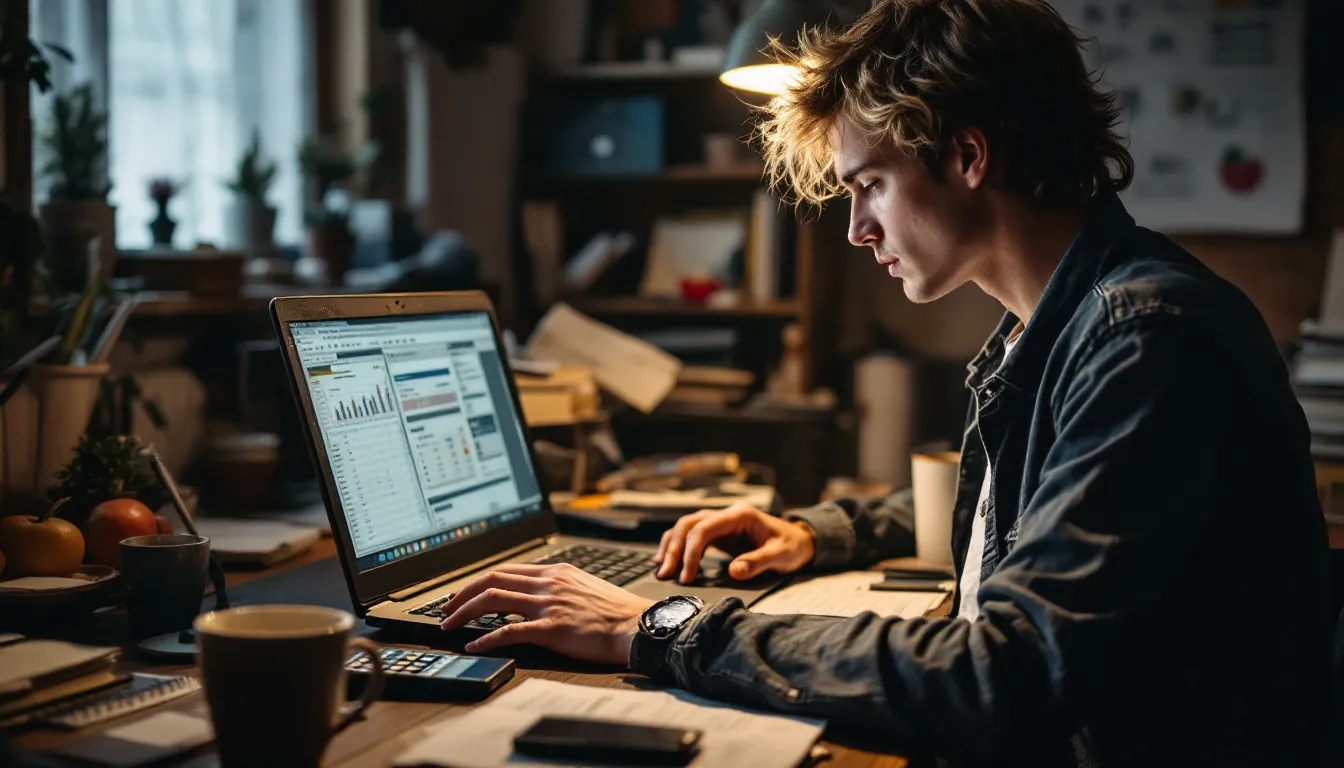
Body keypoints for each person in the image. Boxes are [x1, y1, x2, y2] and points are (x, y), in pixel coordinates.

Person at [439, 1, 1333, 764]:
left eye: (869, 184)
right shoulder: (1063, 320)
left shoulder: (1147, 340)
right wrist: (817, 533)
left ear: (968, 156)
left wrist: (662, 628)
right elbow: (1028, 506)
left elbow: (1006, 674)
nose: (858, 229)